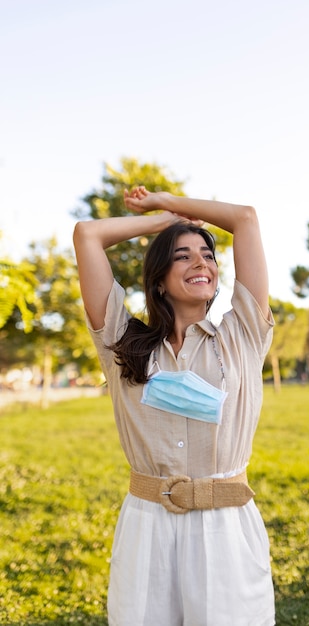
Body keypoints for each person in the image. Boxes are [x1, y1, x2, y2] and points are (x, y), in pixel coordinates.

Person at [73, 186, 276, 626]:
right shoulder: (123, 344)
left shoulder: (242, 334)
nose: (201, 261)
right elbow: (88, 235)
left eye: (207, 254)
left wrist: (175, 202)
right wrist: (159, 220)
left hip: (226, 525)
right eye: (182, 256)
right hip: (148, 525)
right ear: (159, 277)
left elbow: (245, 218)